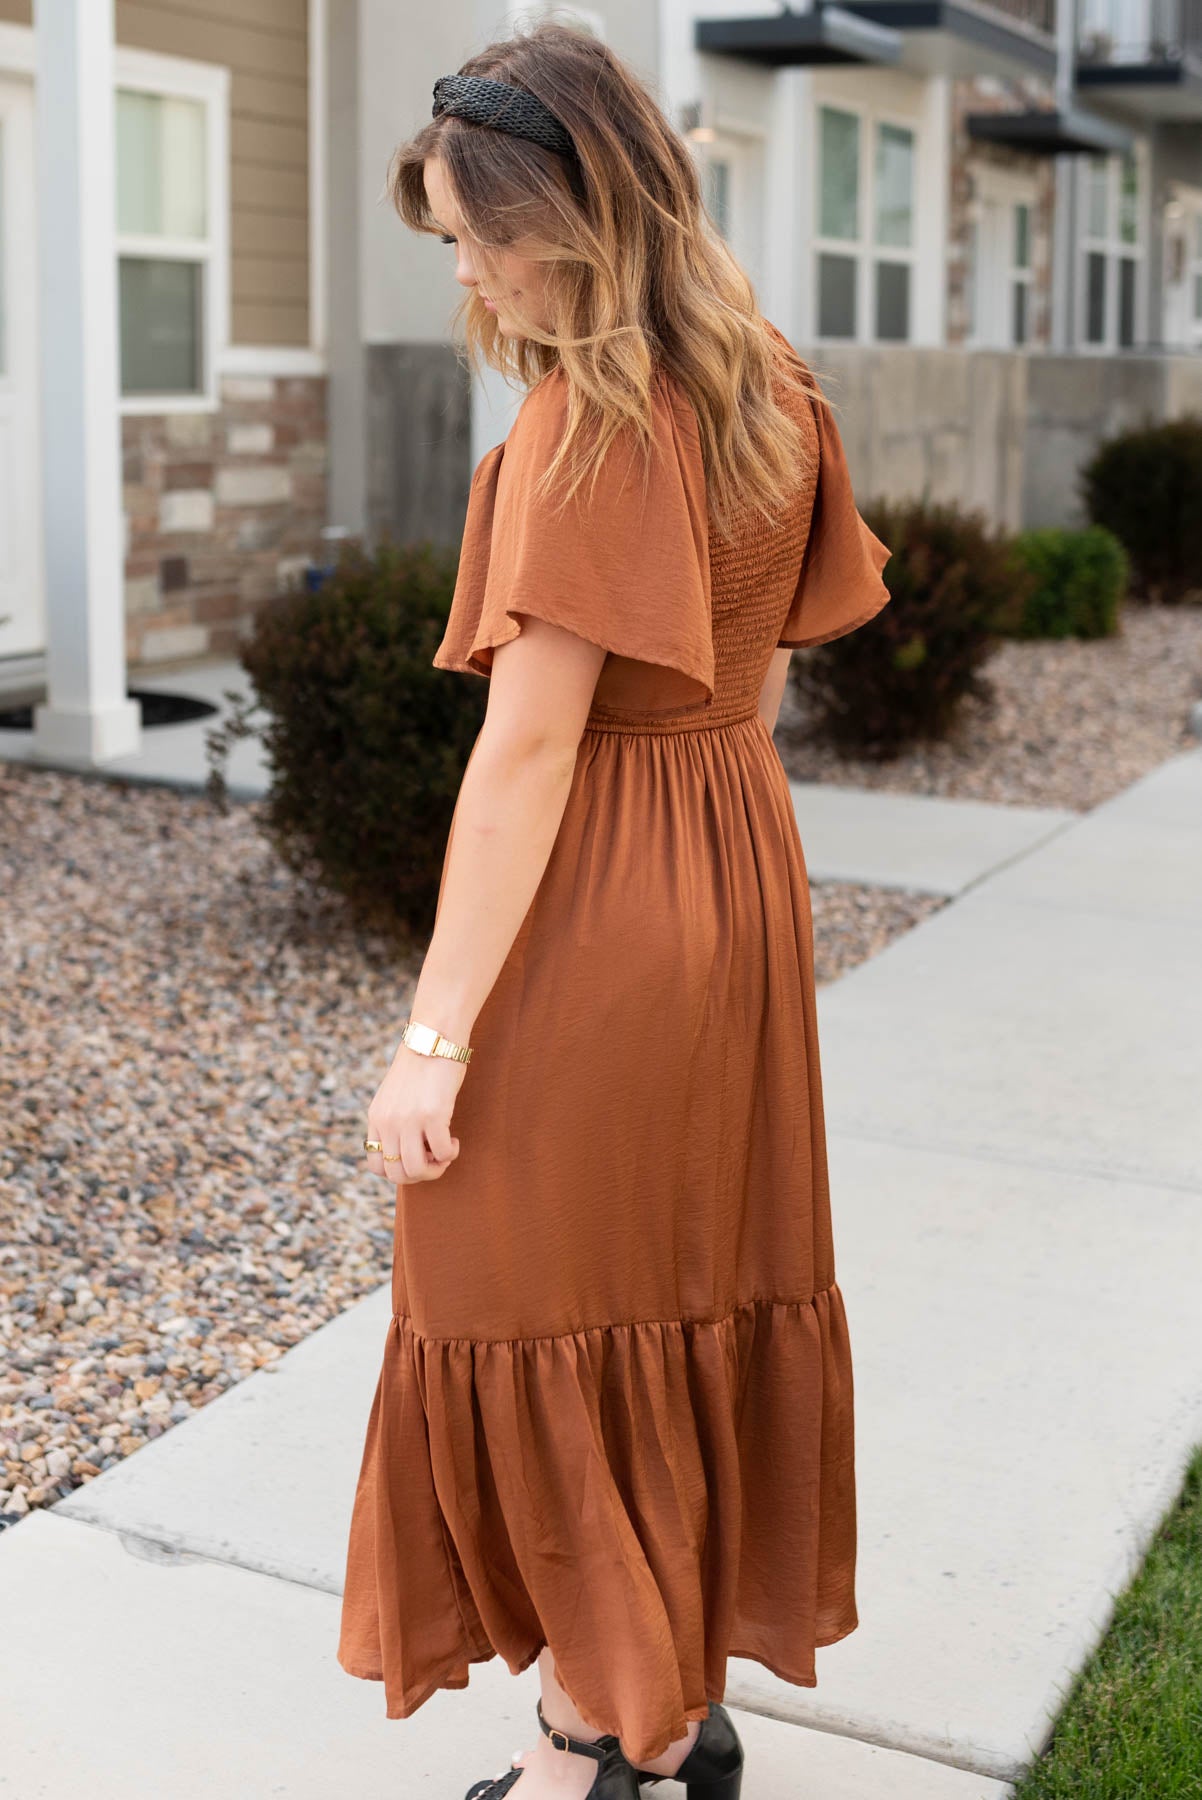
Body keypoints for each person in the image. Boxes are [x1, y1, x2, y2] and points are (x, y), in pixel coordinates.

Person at [338, 22, 892, 1800]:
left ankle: (606, 1737)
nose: (469, 276)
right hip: (732, 863)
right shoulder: (763, 378)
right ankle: (666, 1687)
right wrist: (718, 849)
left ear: (568, 218)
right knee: (682, 1281)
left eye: (480, 237)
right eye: (447, 243)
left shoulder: (590, 421)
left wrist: (433, 1037)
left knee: (521, 1296)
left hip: (605, 898)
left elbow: (523, 759)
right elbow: (772, 670)